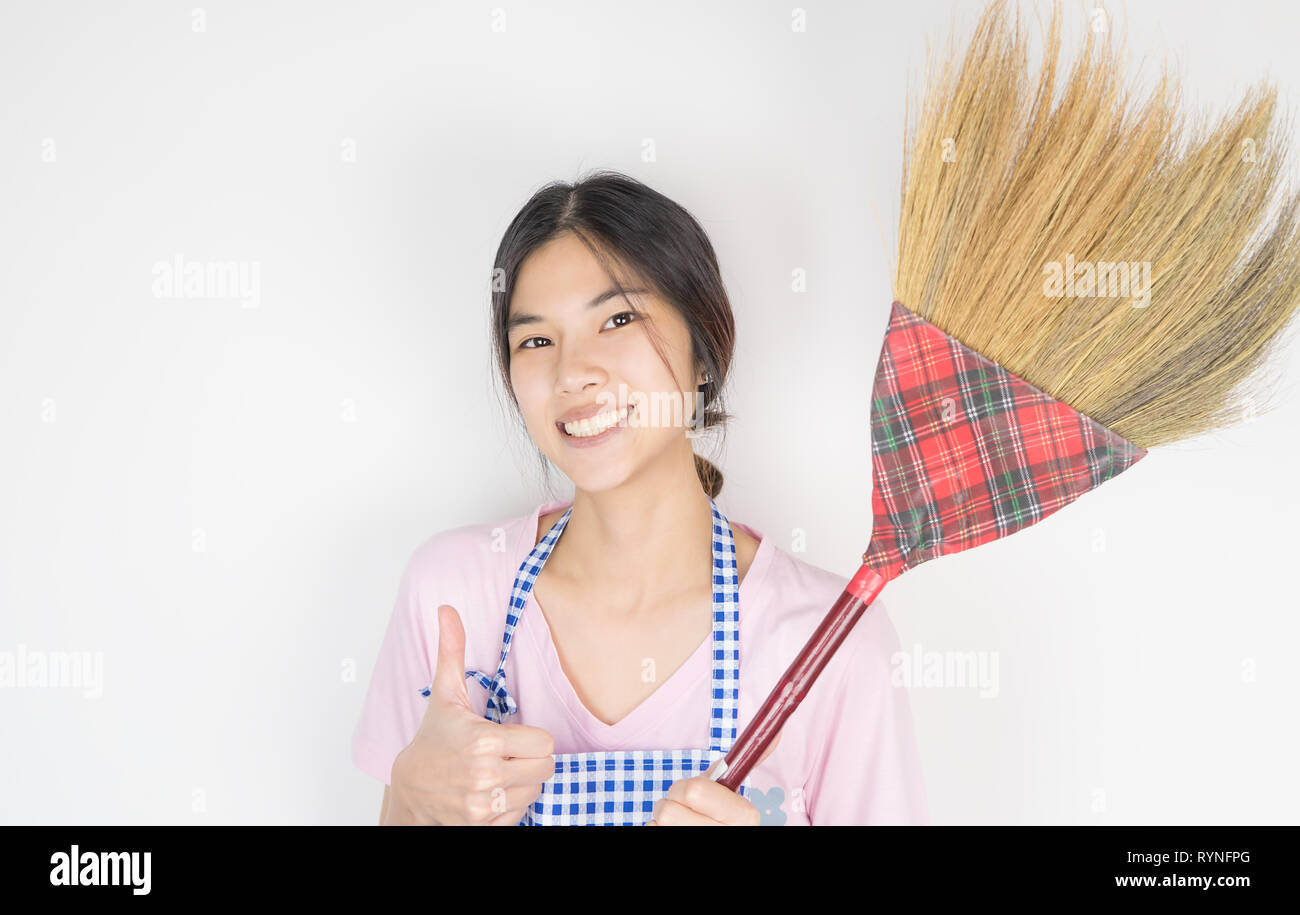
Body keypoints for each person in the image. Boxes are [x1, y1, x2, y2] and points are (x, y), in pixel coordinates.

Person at [351, 170, 928, 825]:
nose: (572, 372)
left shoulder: (833, 645)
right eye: (536, 339)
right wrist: (409, 800)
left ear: (703, 353)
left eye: (618, 318)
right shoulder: (451, 591)